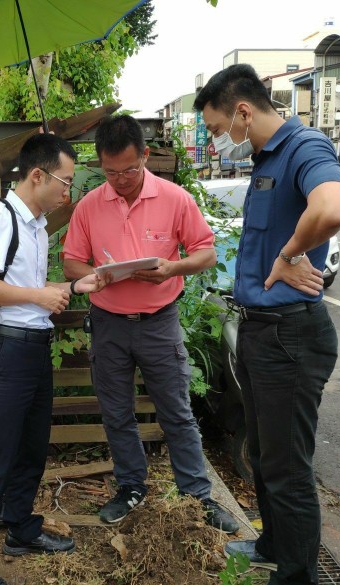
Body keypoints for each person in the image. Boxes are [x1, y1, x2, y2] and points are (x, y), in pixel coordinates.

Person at [194, 64, 340, 585]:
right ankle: (271, 547)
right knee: (262, 453)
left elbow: (332, 206)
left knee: (287, 468)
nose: (218, 142)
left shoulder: (304, 147)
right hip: (262, 332)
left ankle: (296, 583)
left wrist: (288, 255)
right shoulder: (265, 159)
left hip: (290, 336)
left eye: (217, 130)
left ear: (242, 112)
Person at [62, 115, 239, 534]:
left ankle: (198, 496)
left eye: (129, 170)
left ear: (145, 156)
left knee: (176, 412)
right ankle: (129, 487)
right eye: (110, 172)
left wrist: (172, 267)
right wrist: (95, 275)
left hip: (159, 321)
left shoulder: (175, 199)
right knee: (117, 412)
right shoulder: (89, 205)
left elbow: (206, 253)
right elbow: (71, 260)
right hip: (107, 322)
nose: (120, 180)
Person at [0, 134, 104, 585]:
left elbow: (27, 291)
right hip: (7, 350)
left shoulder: (35, 224)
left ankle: (21, 528)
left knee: (32, 447)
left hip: (34, 347)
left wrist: (72, 289)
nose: (67, 193)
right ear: (37, 175)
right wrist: (39, 295)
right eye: (64, 181)